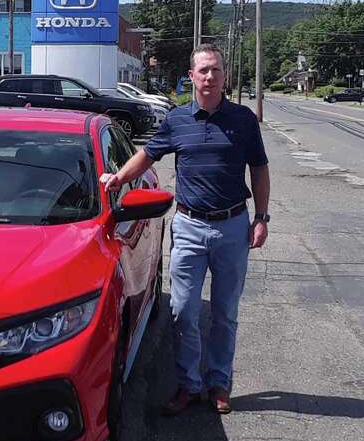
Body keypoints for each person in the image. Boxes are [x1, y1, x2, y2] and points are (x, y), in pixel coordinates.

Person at [101, 43, 270, 415]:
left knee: (225, 313)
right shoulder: (177, 120)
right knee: (182, 309)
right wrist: (119, 177)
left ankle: (218, 383)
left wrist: (262, 217)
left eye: (216, 70)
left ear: (225, 76)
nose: (210, 77)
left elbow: (259, 168)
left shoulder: (243, 121)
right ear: (191, 77)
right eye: (203, 71)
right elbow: (149, 154)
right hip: (190, 226)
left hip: (232, 227)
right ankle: (189, 384)